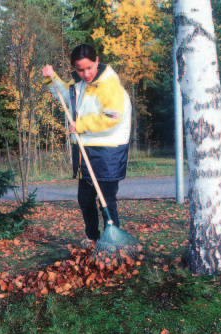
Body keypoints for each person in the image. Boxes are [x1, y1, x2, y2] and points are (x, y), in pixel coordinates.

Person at [42, 43, 131, 248]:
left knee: (106, 200)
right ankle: (92, 237)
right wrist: (51, 79)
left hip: (108, 151)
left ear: (97, 61)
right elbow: (65, 97)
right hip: (85, 150)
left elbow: (112, 118)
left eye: (89, 67)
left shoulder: (110, 86)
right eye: (80, 69)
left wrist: (80, 125)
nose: (85, 73)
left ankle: (112, 241)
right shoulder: (80, 85)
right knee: (84, 199)